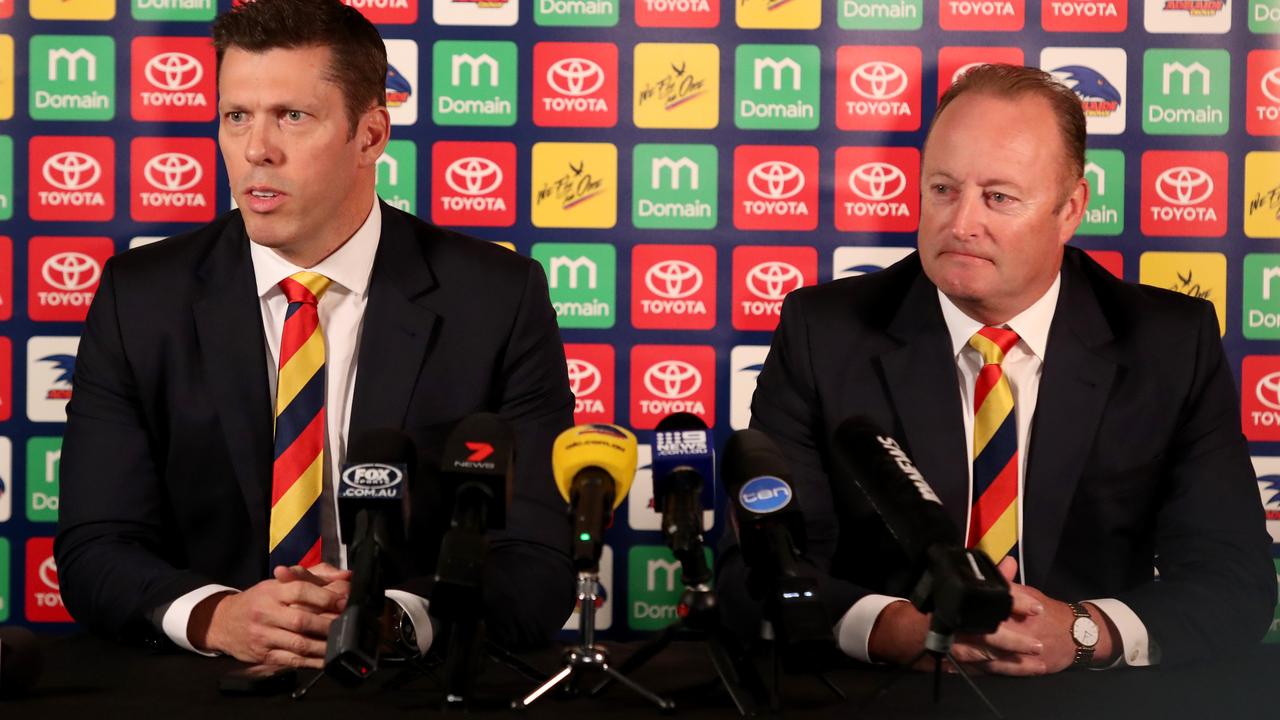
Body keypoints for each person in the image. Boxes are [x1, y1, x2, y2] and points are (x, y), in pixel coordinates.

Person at [55, 0, 576, 668]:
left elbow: (537, 558)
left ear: (371, 136)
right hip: (205, 689)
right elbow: (95, 546)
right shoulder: (141, 298)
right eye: (236, 116)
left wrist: (391, 618)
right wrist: (219, 615)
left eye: (292, 117)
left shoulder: (497, 299)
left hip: (404, 688)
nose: (255, 149)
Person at [720, 64, 1275, 674]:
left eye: (999, 197)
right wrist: (897, 629)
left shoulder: (1167, 344)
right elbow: (760, 571)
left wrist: (1085, 631)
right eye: (943, 189)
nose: (961, 224)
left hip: (1087, 701)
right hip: (893, 695)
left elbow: (1233, 584)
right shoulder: (822, 333)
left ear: (1069, 209)